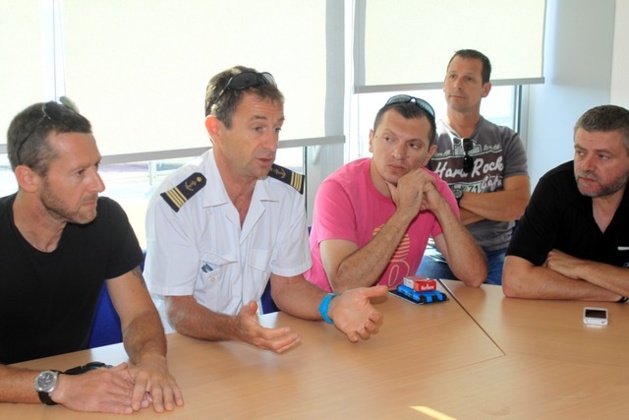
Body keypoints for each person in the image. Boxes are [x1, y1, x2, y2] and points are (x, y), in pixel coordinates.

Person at [144, 66, 387, 354]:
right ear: (216, 129)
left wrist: (332, 305)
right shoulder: (177, 201)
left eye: (277, 128)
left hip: (248, 345)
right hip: (181, 349)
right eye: (258, 128)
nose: (271, 144)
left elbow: (287, 287)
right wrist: (236, 328)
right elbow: (177, 308)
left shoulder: (286, 193)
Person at [0, 100, 183, 413]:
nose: (98, 184)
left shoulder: (106, 219)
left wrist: (153, 362)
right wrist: (61, 386)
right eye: (79, 173)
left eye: (96, 166)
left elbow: (138, 314)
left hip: (72, 392)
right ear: (28, 178)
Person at [304, 94, 487, 293]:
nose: (399, 153)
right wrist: (405, 212)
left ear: (429, 154)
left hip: (391, 308)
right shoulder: (337, 189)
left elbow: (474, 276)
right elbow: (343, 285)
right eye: (389, 139)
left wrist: (442, 208)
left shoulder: (433, 189)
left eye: (413, 145)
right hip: (324, 312)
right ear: (371, 140)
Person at [417, 49, 530, 285]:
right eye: (452, 76)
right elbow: (420, 207)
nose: (458, 85)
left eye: (469, 78)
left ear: (485, 89)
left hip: (497, 252)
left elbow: (518, 205)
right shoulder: (425, 141)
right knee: (431, 313)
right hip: (439, 253)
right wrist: (493, 204)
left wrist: (450, 200)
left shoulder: (506, 139)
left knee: (502, 313)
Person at [503, 104, 629, 301]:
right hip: (563, 320)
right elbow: (515, 281)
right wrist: (616, 293)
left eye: (603, 156)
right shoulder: (555, 187)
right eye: (580, 152)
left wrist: (580, 268)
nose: (586, 166)